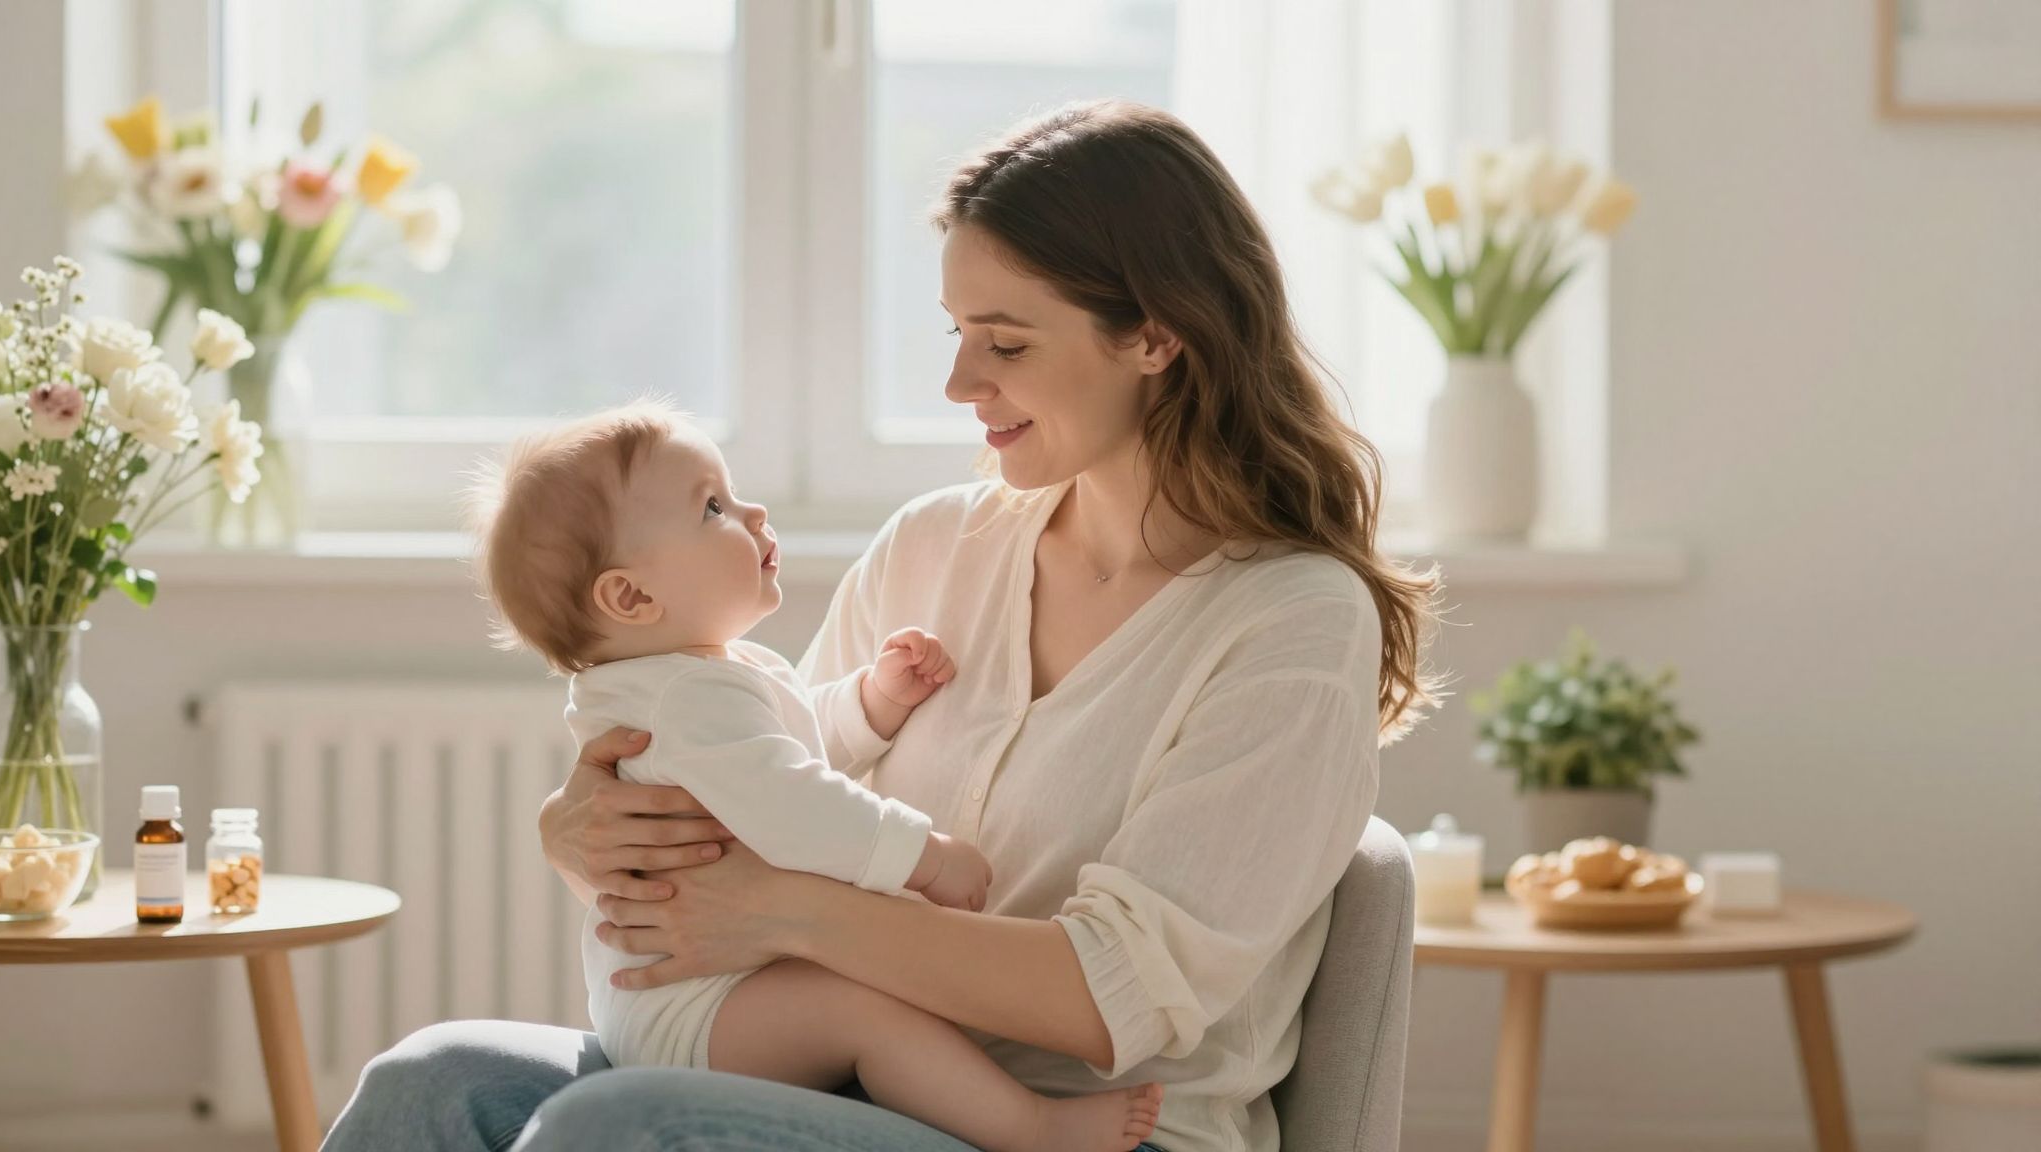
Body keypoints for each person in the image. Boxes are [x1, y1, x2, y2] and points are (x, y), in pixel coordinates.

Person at [324, 98, 1438, 1152]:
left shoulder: (1288, 621)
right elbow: (754, 808)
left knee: (616, 1131)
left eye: (1004, 343)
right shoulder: (934, 544)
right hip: (841, 1080)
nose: (959, 380)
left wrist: (792, 916)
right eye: (956, 332)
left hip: (1087, 1125)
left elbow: (1113, 997)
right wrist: (582, 833)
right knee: (431, 1079)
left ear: (1152, 335)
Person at [465, 401, 1162, 1152]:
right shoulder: (687, 695)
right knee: (864, 1015)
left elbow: (793, 750)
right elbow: (794, 803)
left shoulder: (704, 675)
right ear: (631, 597)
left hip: (701, 996)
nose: (752, 510)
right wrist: (923, 855)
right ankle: (1031, 1127)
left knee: (856, 1013)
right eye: (712, 508)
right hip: (702, 1010)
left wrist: (873, 702)